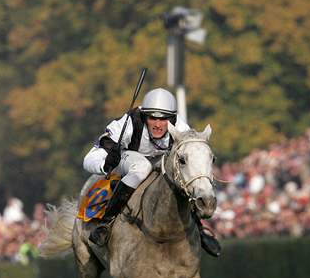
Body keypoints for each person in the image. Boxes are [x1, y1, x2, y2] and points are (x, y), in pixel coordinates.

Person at [82, 87, 221, 256]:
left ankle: (198, 230)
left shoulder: (179, 126)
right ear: (144, 116)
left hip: (156, 159)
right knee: (141, 167)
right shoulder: (127, 125)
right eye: (152, 118)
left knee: (179, 173)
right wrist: (105, 164)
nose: (157, 124)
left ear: (171, 118)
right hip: (125, 160)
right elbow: (88, 159)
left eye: (163, 120)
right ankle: (106, 223)